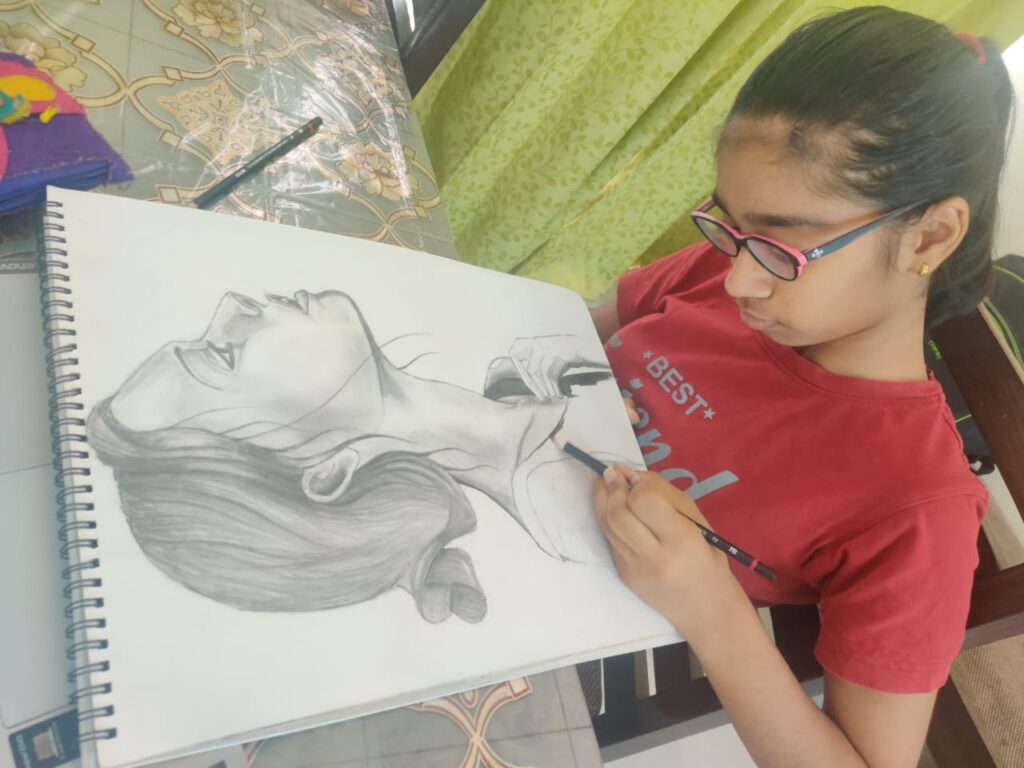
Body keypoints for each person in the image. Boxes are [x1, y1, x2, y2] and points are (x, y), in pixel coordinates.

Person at [576, 7, 1010, 767]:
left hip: (575, 621)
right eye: (731, 225)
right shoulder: (731, 267)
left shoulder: (914, 509)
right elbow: (578, 328)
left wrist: (714, 612)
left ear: (931, 236)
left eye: (781, 246)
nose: (738, 279)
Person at [87, 288, 615, 622]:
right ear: (327, 473)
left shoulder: (521, 376)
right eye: (224, 354)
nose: (230, 306)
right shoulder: (576, 509)